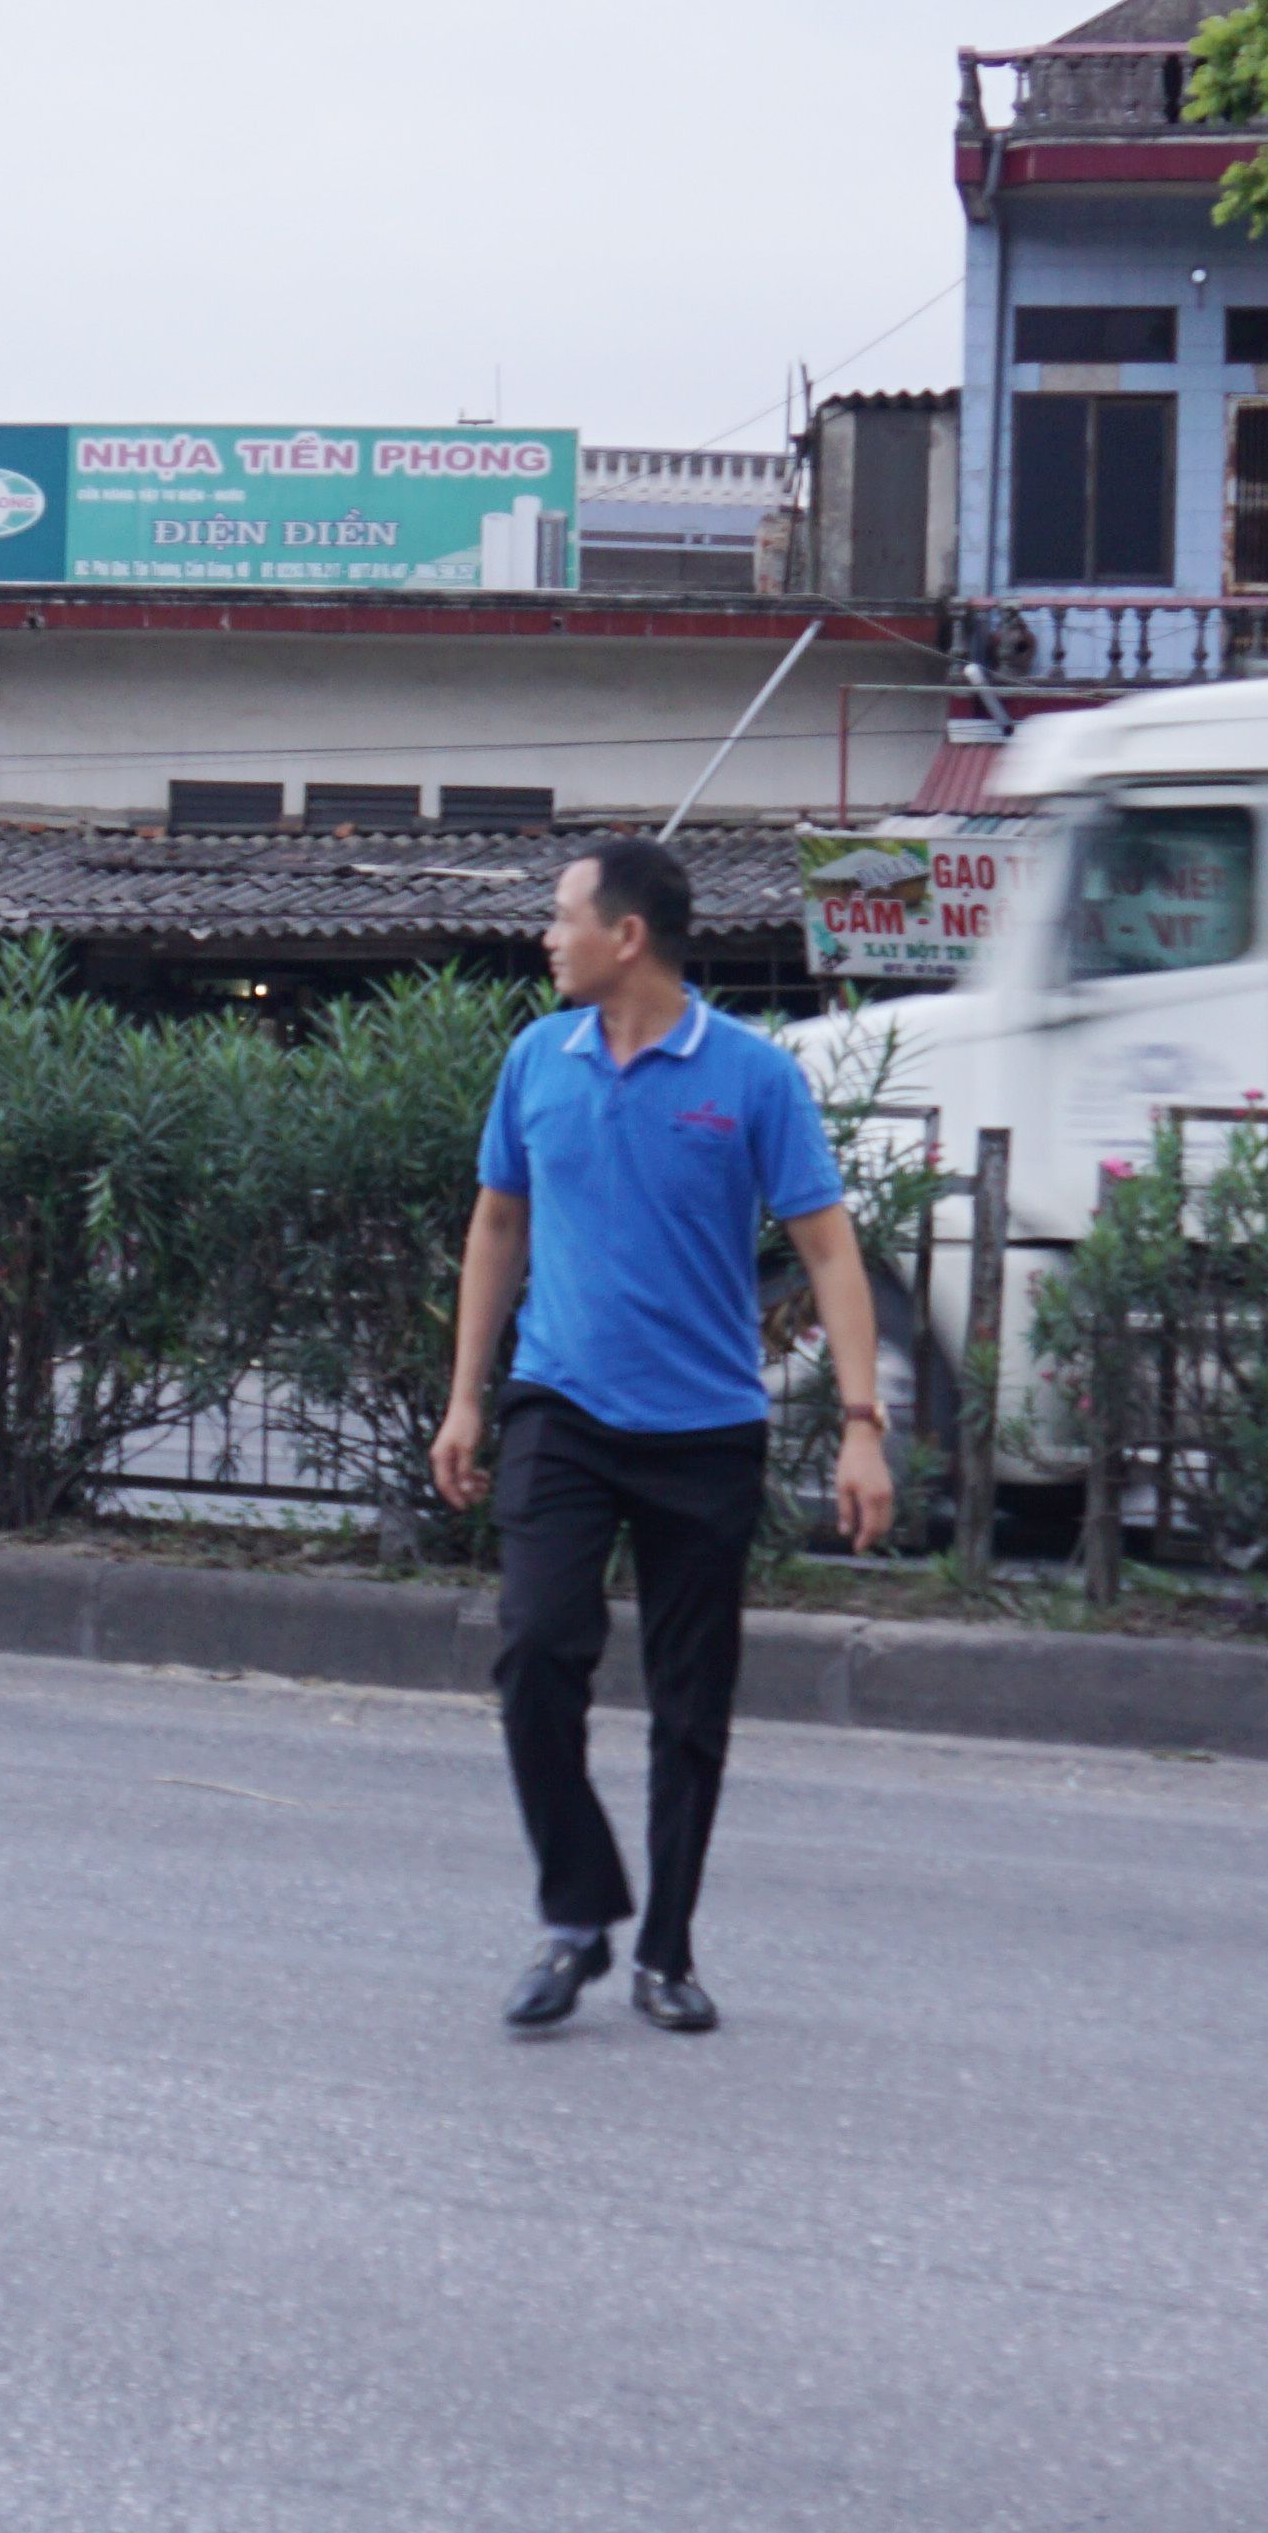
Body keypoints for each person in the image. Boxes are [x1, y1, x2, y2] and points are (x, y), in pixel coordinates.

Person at [426, 838, 897, 2034]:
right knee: (537, 1650)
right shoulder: (538, 1058)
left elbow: (829, 1248)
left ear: (624, 934)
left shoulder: (750, 1077)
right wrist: (466, 1395)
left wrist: (859, 1423)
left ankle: (667, 1952)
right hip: (560, 1408)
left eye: (562, 914)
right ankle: (578, 1915)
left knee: (693, 1702)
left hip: (705, 1430)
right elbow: (496, 1223)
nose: (547, 934)